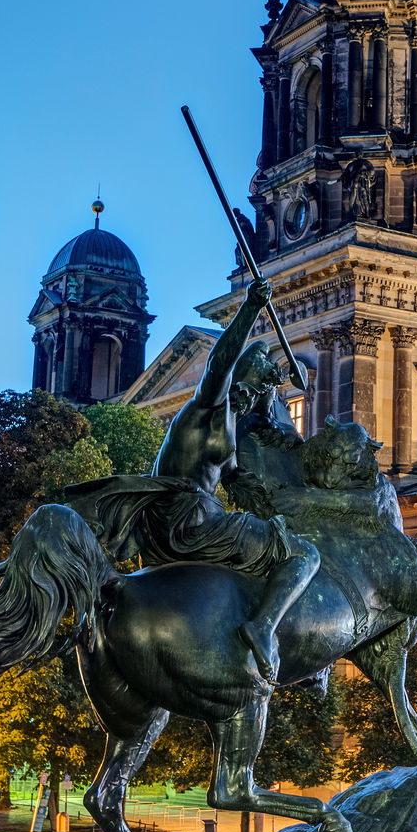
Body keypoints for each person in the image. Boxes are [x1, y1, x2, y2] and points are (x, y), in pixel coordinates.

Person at [67, 279, 318, 683]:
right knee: (301, 555)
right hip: (191, 522)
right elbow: (221, 357)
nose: (256, 402)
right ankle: (265, 630)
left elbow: (240, 482)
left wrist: (285, 508)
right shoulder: (210, 404)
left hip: (168, 524)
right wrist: (251, 307)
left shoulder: (231, 422)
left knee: (266, 546)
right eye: (257, 391)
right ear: (242, 383)